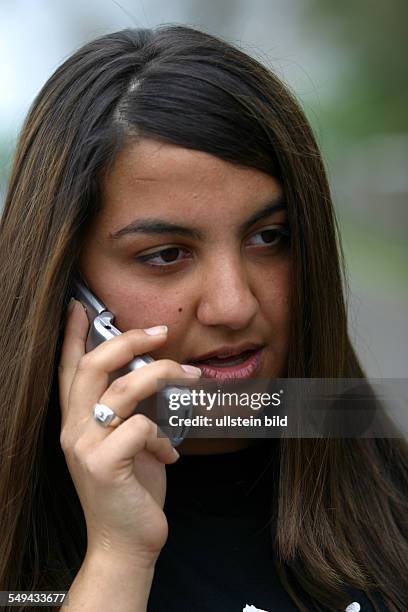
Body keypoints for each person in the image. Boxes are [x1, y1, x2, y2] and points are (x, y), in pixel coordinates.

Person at [0, 25, 406, 612]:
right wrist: (117, 557)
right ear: (66, 286)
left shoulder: (391, 501)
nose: (234, 304)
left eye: (270, 237)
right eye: (166, 254)